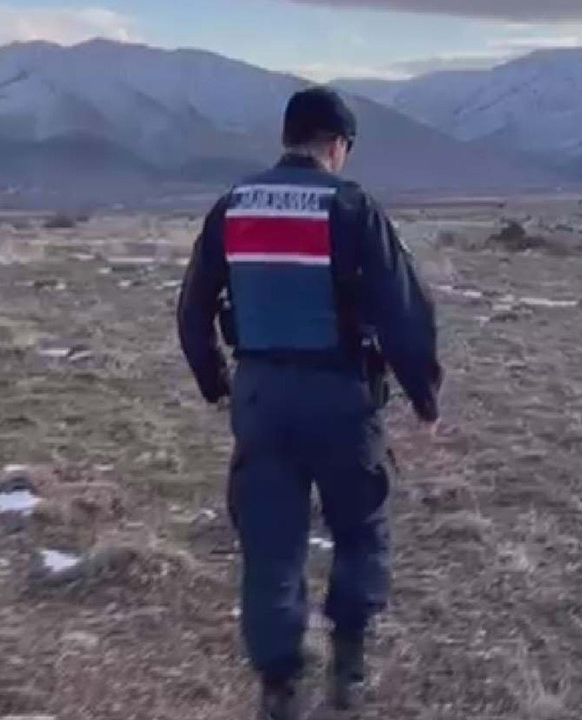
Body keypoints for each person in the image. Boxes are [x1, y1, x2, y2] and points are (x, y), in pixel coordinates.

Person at [177, 86, 442, 720]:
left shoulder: (232, 205)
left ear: (287, 138)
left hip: (261, 395)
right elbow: (404, 310)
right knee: (359, 526)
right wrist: (424, 395)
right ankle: (348, 668)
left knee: (270, 541)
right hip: (340, 396)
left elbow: (193, 307)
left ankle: (280, 688)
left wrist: (215, 381)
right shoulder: (351, 206)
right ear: (338, 145)